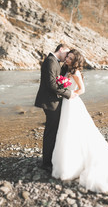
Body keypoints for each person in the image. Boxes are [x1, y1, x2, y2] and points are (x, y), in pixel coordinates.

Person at [51, 49, 108, 193]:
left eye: (70, 57)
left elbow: (82, 89)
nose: (67, 58)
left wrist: (71, 95)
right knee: (66, 131)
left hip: (73, 103)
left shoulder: (75, 73)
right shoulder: (66, 70)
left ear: (75, 61)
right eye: (67, 56)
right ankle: (68, 163)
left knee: (73, 131)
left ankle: (76, 164)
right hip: (66, 103)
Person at [34, 44, 77, 172]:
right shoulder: (50, 61)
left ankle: (51, 158)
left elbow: (60, 78)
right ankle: (47, 163)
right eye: (67, 53)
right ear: (61, 49)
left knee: (54, 130)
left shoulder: (56, 62)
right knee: (51, 132)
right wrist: (69, 94)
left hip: (53, 101)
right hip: (50, 102)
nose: (67, 57)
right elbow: (52, 85)